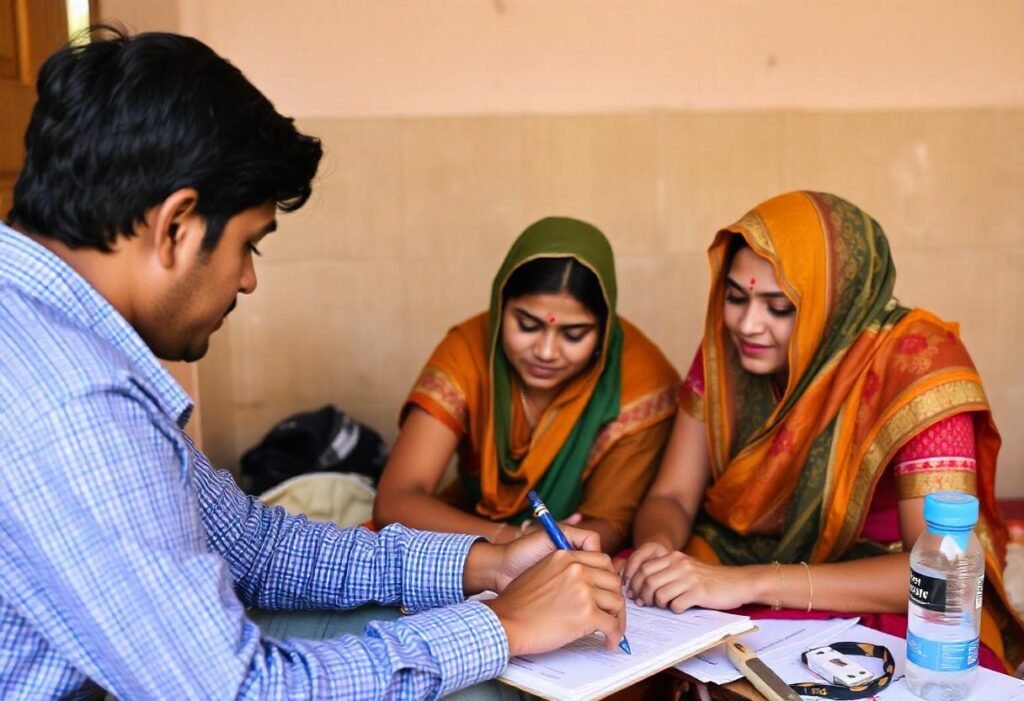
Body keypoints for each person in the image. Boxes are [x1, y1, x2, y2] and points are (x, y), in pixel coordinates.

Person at [0, 27, 628, 699]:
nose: (247, 281)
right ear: (177, 226)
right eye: (249, 245)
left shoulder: (56, 340)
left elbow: (257, 548)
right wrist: (501, 625)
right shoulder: (76, 404)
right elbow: (239, 692)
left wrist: (488, 562)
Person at [621, 190, 1024, 672]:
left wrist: (749, 583)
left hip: (870, 580)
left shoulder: (919, 365)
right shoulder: (726, 356)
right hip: (731, 557)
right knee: (618, 609)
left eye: (779, 306)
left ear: (837, 302)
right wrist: (657, 553)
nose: (748, 324)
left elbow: (936, 574)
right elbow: (673, 497)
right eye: (736, 297)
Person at [373, 217, 680, 554]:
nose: (546, 352)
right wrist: (511, 541)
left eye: (574, 334)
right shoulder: (471, 350)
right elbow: (395, 500)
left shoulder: (642, 381)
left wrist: (536, 549)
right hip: (471, 530)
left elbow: (610, 525)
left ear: (603, 331)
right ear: (500, 306)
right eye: (527, 324)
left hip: (570, 549)